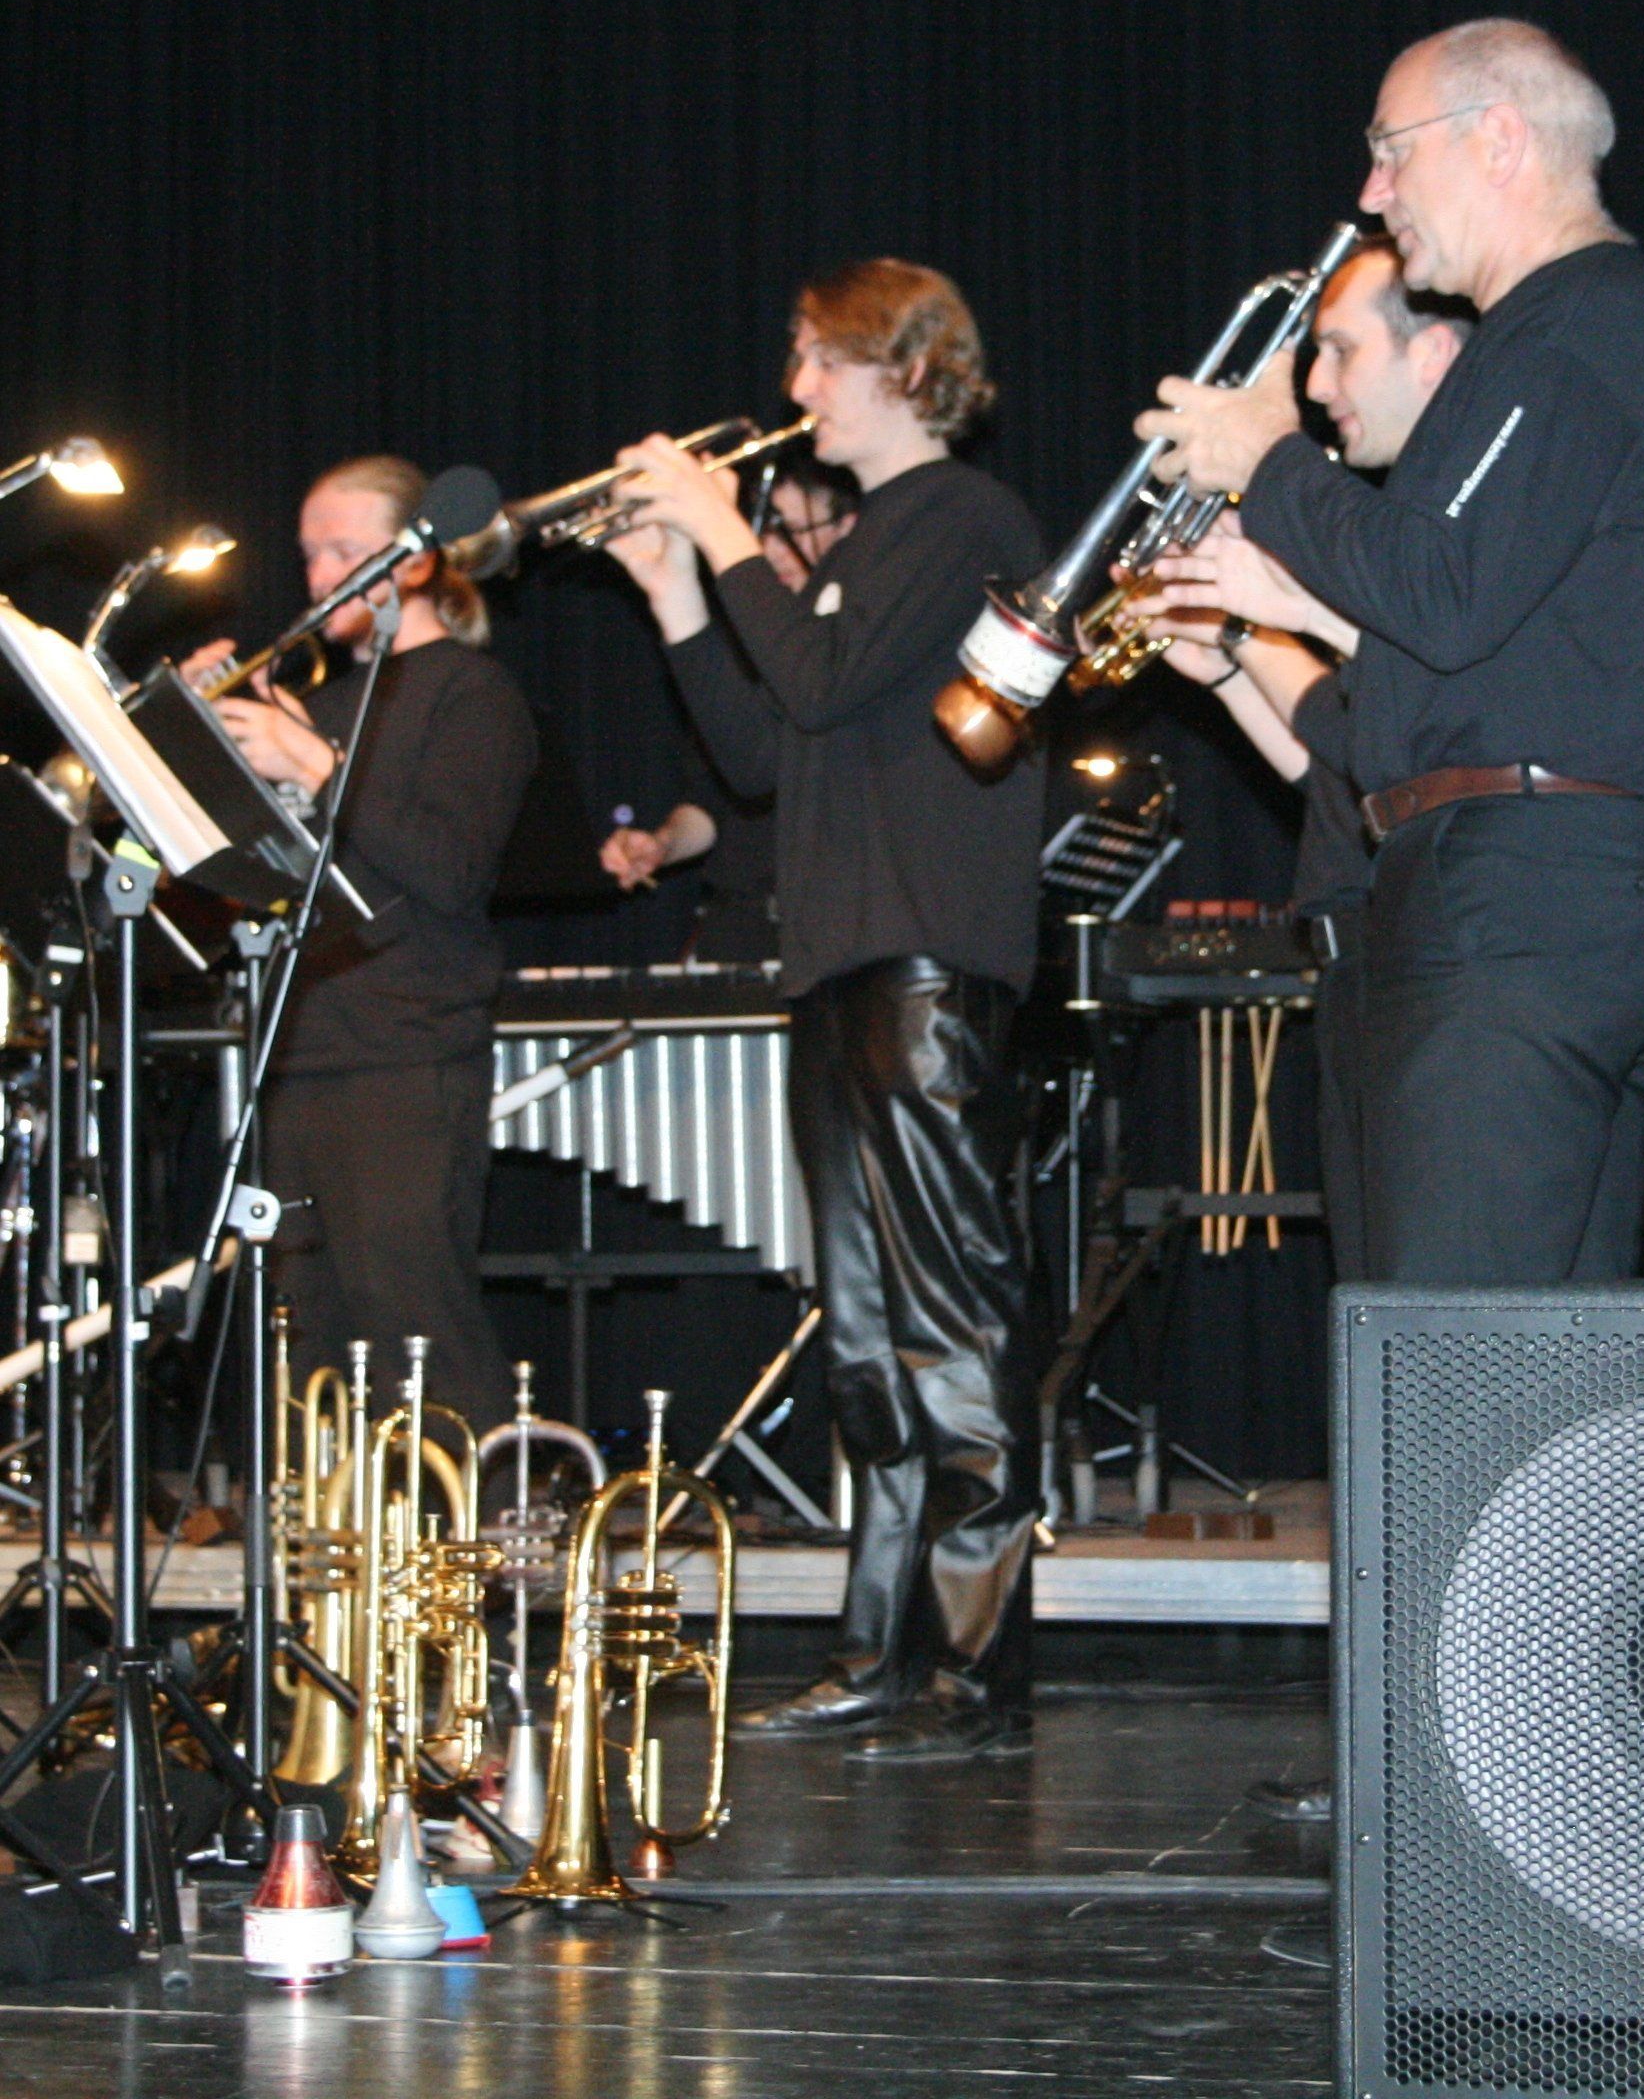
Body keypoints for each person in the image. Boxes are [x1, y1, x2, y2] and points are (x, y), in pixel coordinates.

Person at [1138, 20, 1644, 1284]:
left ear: (1498, 139)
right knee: (1531, 1353)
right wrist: (1259, 630)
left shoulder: (1576, 326)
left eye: (1390, 150)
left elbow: (1439, 589)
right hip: (1556, 879)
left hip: (1526, 893)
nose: (1372, 192)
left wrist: (1268, 460)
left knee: (1457, 1350)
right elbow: (1447, 664)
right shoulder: (1587, 330)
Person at [605, 259, 1046, 1759]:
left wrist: (727, 534)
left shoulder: (961, 519)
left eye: (816, 361)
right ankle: (880, 1653)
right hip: (843, 964)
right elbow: (759, 754)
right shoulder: (868, 540)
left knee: (953, 1327)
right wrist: (677, 588)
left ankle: (974, 1672)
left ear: (905, 371)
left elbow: (821, 677)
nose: (793, 392)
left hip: (925, 963)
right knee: (866, 1338)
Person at [1137, 239, 1469, 1279]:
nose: (1319, 389)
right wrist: (1228, 664)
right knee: (1373, 1290)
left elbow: (1401, 717)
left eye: (1341, 351)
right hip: (1350, 952)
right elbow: (1336, 765)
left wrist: (1255, 627)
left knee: (1424, 1294)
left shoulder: (1422, 533)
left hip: (1417, 949)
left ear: (1434, 357)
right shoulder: (1389, 519)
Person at [187, 454, 538, 1432]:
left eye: (344, 552)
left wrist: (314, 762)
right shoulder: (327, 706)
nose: (318, 577)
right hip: (302, 1047)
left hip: (407, 1050)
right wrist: (200, 743)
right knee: (311, 1353)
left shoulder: (473, 694)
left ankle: (470, 1533)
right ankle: (333, 1536)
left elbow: (448, 869)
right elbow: (262, 871)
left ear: (416, 561)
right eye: (309, 555)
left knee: (420, 1342)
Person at [600, 462, 857, 961]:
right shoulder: (737, 646)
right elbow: (714, 801)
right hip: (740, 924)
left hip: (827, 931)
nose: (771, 549)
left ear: (847, 530)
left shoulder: (850, 645)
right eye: (760, 531)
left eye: (790, 529)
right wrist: (662, 843)